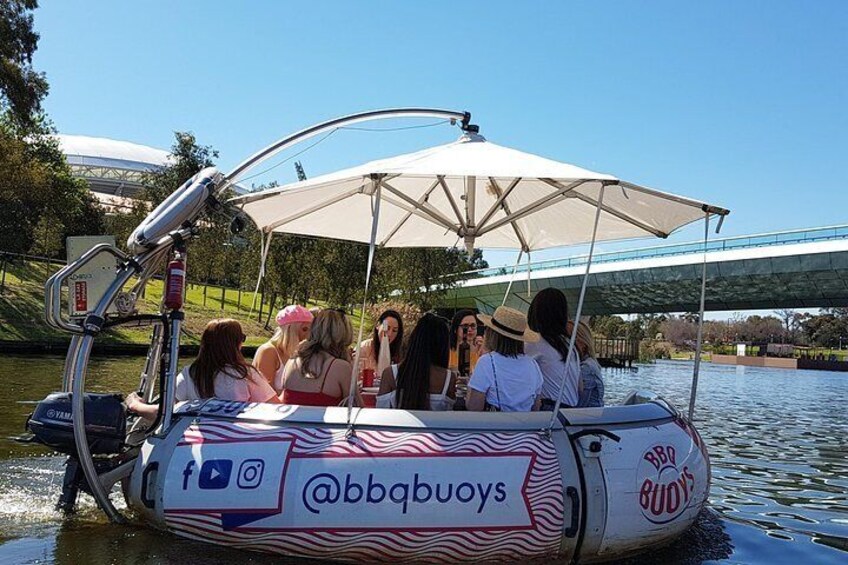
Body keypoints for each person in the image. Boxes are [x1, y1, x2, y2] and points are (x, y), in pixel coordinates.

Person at [126, 318, 279, 419]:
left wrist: (135, 405)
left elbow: (163, 412)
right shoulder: (245, 374)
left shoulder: (191, 373)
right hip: (234, 442)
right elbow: (276, 409)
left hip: (197, 440)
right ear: (237, 344)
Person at [279, 309, 363, 407]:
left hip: (292, 421)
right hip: (324, 422)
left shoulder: (291, 361)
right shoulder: (340, 367)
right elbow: (358, 409)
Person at [466, 306, 543, 412]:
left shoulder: (487, 362)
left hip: (496, 425)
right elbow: (536, 407)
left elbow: (474, 406)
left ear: (492, 334)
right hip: (526, 426)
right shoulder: (533, 365)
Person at [376, 313, 456, 411]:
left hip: (399, 425)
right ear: (443, 346)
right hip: (435, 426)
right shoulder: (448, 378)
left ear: (414, 340)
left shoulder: (390, 374)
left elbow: (380, 411)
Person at [526, 288, 582, 410]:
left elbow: (515, 369)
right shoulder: (570, 346)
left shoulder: (535, 342)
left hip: (549, 409)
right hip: (571, 411)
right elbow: (579, 388)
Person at [253, 305, 314, 393]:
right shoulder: (268, 351)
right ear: (290, 330)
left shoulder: (300, 351)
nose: (309, 335)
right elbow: (264, 393)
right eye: (304, 329)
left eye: (311, 330)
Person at [357, 310, 404, 381]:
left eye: (394, 331)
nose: (389, 334)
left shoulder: (399, 353)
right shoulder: (363, 348)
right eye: (387, 328)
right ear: (378, 325)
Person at [573, 321, 605, 408]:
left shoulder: (587, 368)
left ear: (582, 342)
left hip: (588, 418)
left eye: (571, 338)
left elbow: (579, 405)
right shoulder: (587, 364)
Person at [449, 309, 483, 374]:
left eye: (473, 326)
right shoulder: (447, 351)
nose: (469, 329)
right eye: (465, 326)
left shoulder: (481, 350)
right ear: (455, 329)